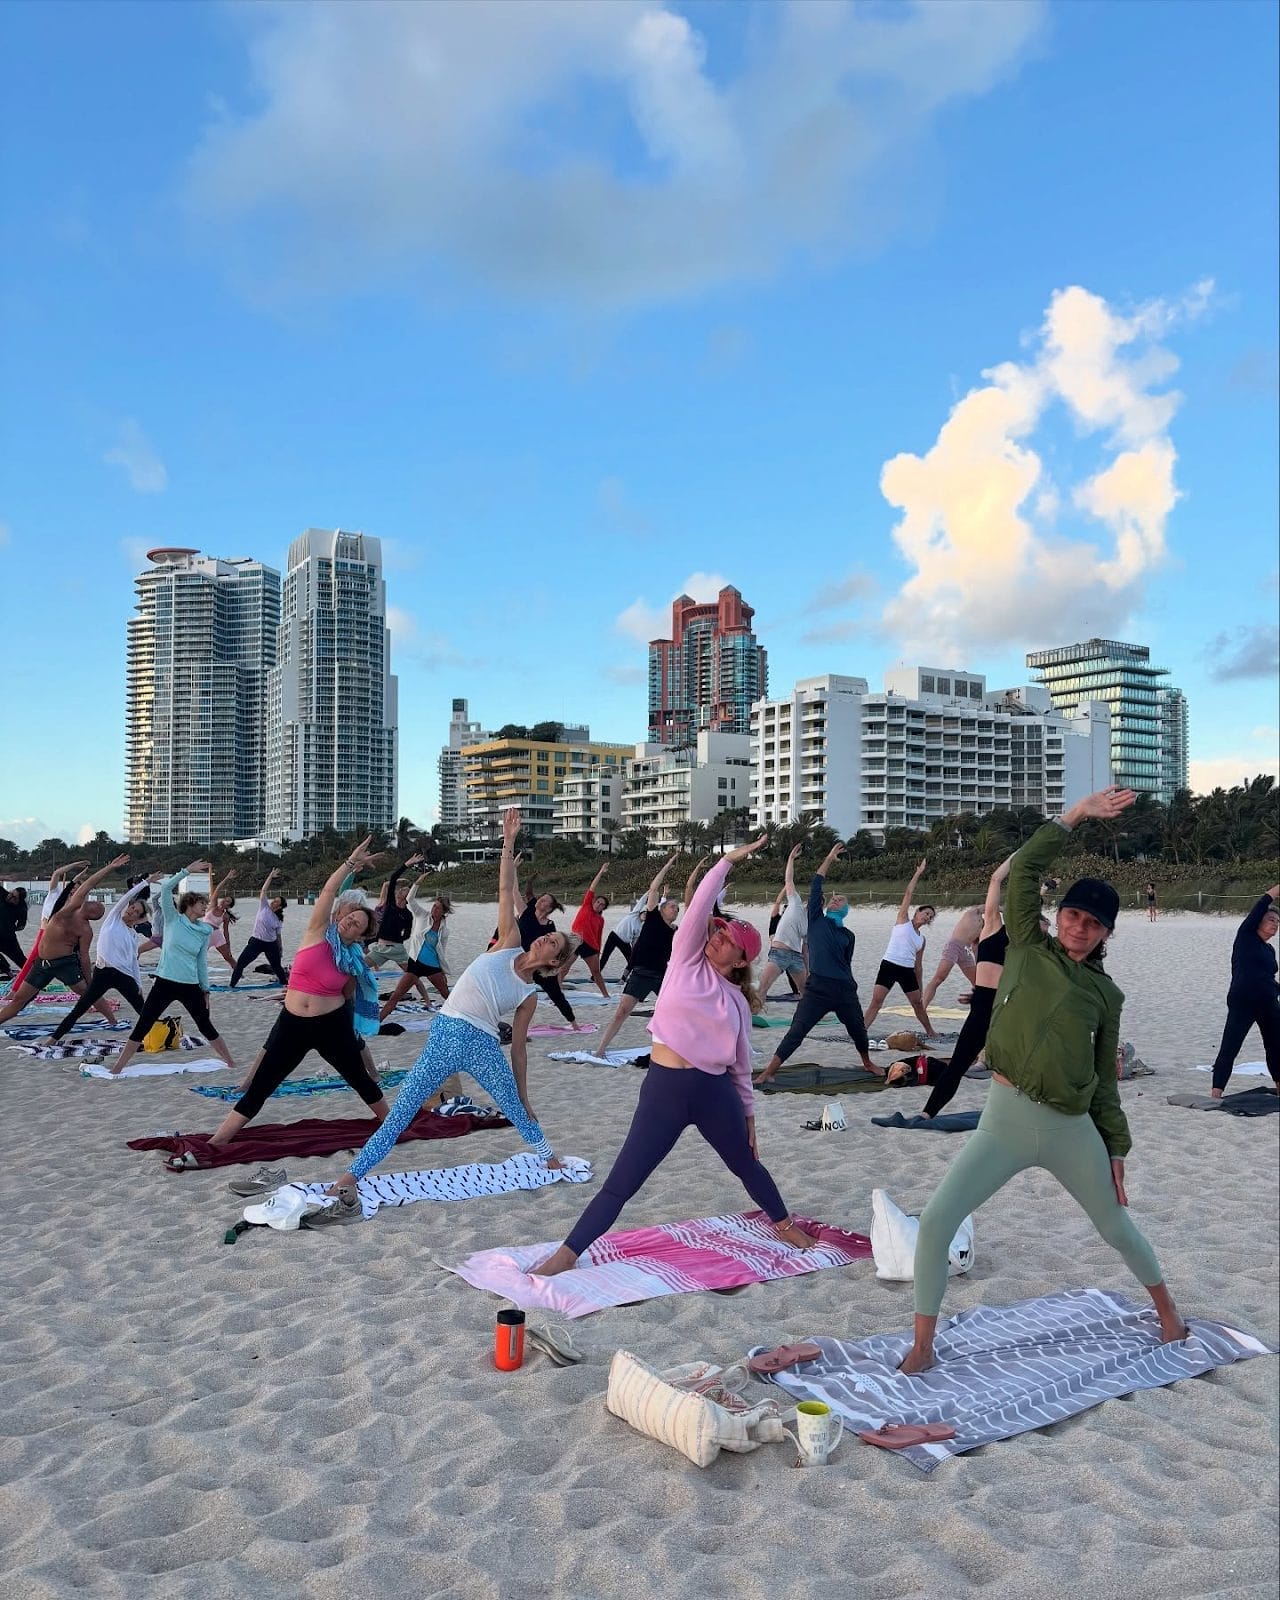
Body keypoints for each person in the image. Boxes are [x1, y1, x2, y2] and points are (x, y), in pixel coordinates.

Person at [897, 788, 1187, 1374]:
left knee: (1115, 1226)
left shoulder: (1106, 995)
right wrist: (1075, 815)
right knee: (934, 1221)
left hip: (1068, 1126)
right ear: (1061, 918)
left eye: (1094, 923)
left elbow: (1105, 1082)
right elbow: (1024, 867)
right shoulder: (1026, 943)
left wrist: (1117, 1149)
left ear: (1107, 933)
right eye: (1075, 916)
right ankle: (924, 1346)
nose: (1080, 928)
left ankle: (1169, 1314)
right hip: (1002, 1120)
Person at [533, 834, 817, 1277]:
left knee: (746, 1163)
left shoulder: (739, 1003)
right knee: (623, 1182)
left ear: (742, 959)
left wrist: (750, 1122)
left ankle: (784, 1225)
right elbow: (700, 905)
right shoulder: (685, 960)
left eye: (727, 939)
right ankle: (566, 1255)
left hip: (713, 1093)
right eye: (718, 932)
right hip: (663, 1090)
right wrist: (726, 861)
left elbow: (742, 1070)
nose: (717, 938)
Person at [328, 810, 566, 1209]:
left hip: (482, 1044)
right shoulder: (509, 941)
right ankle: (351, 1176)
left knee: (516, 1110)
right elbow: (506, 890)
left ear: (554, 963)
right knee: (403, 1109)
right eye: (548, 937)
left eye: (553, 945)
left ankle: (550, 1158)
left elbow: (520, 1050)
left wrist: (524, 1096)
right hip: (444, 1031)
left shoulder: (530, 996)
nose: (545, 941)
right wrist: (508, 842)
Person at [205, 841, 391, 1147]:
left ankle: (391, 1123)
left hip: (331, 1025)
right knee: (263, 1085)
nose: (350, 920)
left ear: (361, 935)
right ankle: (218, 1140)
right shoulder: (318, 931)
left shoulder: (354, 960)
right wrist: (350, 862)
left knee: (358, 1078)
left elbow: (347, 996)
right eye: (350, 915)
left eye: (357, 923)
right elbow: (330, 892)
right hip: (293, 1023)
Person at [915, 854, 1053, 1120]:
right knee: (957, 1064)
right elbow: (995, 879)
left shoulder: (1028, 944)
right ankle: (927, 1113)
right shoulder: (991, 926)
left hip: (1007, 1009)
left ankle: (1036, 1111)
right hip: (982, 1007)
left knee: (1021, 1065)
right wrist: (1021, 854)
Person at [754, 841, 879, 1083]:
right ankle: (769, 1072)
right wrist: (830, 857)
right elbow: (816, 883)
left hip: (844, 989)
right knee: (797, 1031)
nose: (835, 900)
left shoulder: (848, 936)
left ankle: (867, 1062)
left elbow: (846, 963)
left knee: (858, 1031)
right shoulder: (815, 919)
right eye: (833, 898)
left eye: (840, 900)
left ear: (845, 910)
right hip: (818, 989)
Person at [105, 862, 239, 1078]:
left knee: (205, 1025)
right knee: (144, 1024)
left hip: (190, 985)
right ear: (189, 904)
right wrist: (187, 871)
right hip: (165, 982)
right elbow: (166, 888)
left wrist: (205, 990)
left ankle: (230, 1062)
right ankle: (118, 1067)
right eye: (201, 903)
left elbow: (201, 962)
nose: (205, 907)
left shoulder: (204, 930)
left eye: (206, 904)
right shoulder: (173, 919)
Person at [0, 857, 128, 1025]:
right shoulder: (69, 912)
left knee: (88, 993)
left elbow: (84, 957)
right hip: (42, 963)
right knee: (19, 1000)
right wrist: (109, 867)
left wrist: (89, 980)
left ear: (89, 911)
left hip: (64, 964)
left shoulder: (82, 927)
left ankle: (112, 1021)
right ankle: (112, 1020)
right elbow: (87, 884)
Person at [48, 873, 157, 1040]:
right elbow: (126, 897)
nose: (131, 911)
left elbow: (134, 961)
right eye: (132, 907)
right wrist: (146, 882)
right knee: (80, 1008)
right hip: (103, 972)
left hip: (124, 976)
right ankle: (53, 1039)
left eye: (136, 912)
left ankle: (158, 1035)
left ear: (139, 920)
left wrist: (138, 983)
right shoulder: (113, 919)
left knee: (143, 1010)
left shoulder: (133, 936)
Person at [593, 854, 680, 1057]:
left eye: (678, 908)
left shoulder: (676, 930)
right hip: (641, 973)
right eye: (672, 907)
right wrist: (667, 866)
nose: (676, 910)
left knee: (675, 1013)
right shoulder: (652, 919)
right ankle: (600, 1050)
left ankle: (678, 1049)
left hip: (662, 976)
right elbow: (653, 889)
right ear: (662, 909)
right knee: (622, 1012)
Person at [1208, 883, 1279, 1098]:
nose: (1275, 924)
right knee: (1230, 1045)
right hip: (1243, 1001)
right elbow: (1261, 905)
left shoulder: (1269, 949)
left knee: (1276, 1046)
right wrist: (1276, 890)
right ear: (1258, 921)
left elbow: (1266, 979)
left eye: (1278, 922)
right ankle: (1216, 1093)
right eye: (1271, 920)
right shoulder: (1246, 936)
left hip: (1268, 1002)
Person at [860, 860, 936, 1037]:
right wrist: (918, 873)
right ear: (917, 912)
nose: (927, 917)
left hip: (907, 971)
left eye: (930, 917)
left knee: (917, 1004)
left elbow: (918, 966)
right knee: (876, 1002)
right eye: (926, 913)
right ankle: (861, 1031)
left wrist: (920, 986)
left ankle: (930, 1031)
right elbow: (908, 893)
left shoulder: (922, 940)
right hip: (889, 965)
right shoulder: (903, 920)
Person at [377, 873, 451, 1019]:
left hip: (433, 966)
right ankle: (376, 1023)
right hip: (415, 963)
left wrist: (442, 971)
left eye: (437, 908)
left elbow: (441, 951)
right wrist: (417, 883)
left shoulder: (444, 930)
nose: (433, 910)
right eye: (433, 906)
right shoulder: (422, 915)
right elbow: (410, 899)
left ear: (443, 912)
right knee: (396, 997)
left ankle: (465, 1021)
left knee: (448, 997)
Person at [757, 845, 808, 1001]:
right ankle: (750, 1015)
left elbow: (805, 950)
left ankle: (810, 1016)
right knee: (763, 987)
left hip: (796, 957)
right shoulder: (795, 903)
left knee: (805, 992)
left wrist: (809, 970)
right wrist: (791, 859)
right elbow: (789, 880)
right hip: (779, 953)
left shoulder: (811, 924)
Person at [228, 869, 289, 986]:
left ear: (280, 906)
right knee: (241, 963)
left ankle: (285, 984)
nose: (273, 902)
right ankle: (232, 985)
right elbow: (264, 890)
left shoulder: (278, 919)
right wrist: (270, 876)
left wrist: (280, 948)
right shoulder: (264, 906)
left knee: (277, 967)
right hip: (256, 942)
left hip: (271, 945)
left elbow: (278, 935)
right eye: (274, 900)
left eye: (276, 902)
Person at [921, 906, 982, 1009]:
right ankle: (923, 1007)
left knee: (979, 982)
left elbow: (975, 945)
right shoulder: (972, 912)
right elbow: (989, 907)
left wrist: (978, 963)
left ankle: (980, 1007)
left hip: (966, 950)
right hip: (954, 946)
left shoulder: (983, 924)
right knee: (939, 978)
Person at [569, 862, 611, 997]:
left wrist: (598, 951)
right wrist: (601, 871)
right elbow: (592, 887)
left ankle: (605, 994)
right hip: (575, 939)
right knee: (563, 968)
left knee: (596, 972)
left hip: (590, 945)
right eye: (598, 902)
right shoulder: (587, 905)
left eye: (602, 905)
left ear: (603, 908)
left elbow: (598, 936)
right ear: (594, 901)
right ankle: (555, 994)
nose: (599, 905)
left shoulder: (600, 920)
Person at [600, 891, 648, 977]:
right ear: (640, 913)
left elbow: (634, 941)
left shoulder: (640, 928)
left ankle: (626, 977)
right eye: (644, 913)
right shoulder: (634, 914)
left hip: (624, 943)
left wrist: (634, 951)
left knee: (631, 960)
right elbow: (642, 901)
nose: (645, 915)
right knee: (605, 957)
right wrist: (650, 891)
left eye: (647, 916)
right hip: (614, 936)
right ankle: (594, 977)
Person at [202, 867, 239, 972]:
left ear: (229, 906)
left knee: (228, 957)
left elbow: (226, 932)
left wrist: (229, 946)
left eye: (227, 901)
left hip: (217, 936)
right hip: (205, 934)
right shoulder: (212, 906)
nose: (224, 901)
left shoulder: (225, 916)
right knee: (198, 955)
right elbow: (217, 889)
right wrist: (227, 878)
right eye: (225, 899)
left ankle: (239, 974)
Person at [0, 884, 29, 978]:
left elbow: (21, 926)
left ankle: (34, 977)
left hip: (9, 939)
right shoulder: (3, 894)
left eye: (14, 897)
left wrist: (10, 928)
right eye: (11, 893)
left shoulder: (22, 909)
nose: (10, 896)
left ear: (18, 900)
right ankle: (8, 972)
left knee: (20, 960)